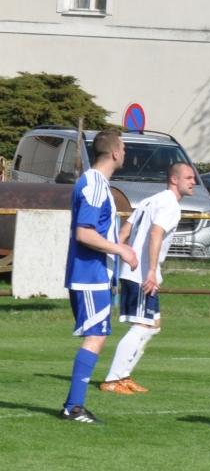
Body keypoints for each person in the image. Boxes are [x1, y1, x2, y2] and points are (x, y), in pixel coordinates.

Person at [61, 129, 138, 423]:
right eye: (124, 148)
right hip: (89, 274)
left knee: (98, 336)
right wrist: (121, 250)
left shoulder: (97, 183)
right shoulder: (94, 183)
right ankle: (74, 407)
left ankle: (74, 406)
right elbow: (84, 233)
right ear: (115, 153)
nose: (125, 153)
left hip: (94, 274)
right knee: (96, 336)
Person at [99, 162, 196, 395]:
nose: (193, 182)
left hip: (134, 271)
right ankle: (112, 379)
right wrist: (150, 271)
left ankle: (124, 376)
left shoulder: (149, 200)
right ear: (174, 179)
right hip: (141, 274)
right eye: (189, 177)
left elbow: (124, 232)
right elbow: (155, 233)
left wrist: (114, 263)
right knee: (141, 326)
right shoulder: (170, 204)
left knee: (153, 326)